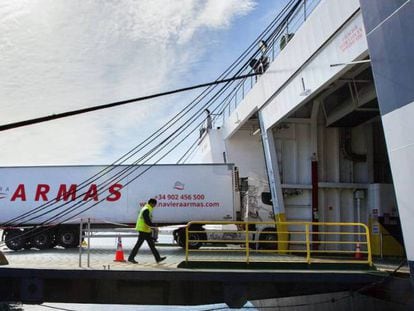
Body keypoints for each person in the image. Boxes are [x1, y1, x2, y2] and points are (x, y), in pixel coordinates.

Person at [128, 198, 166, 264]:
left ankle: (158, 258)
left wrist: (152, 227)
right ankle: (131, 258)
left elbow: (148, 221)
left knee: (151, 245)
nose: (154, 206)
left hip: (146, 230)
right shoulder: (146, 209)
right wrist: (154, 227)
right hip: (143, 230)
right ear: (152, 203)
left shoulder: (146, 208)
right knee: (139, 245)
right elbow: (147, 221)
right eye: (154, 204)